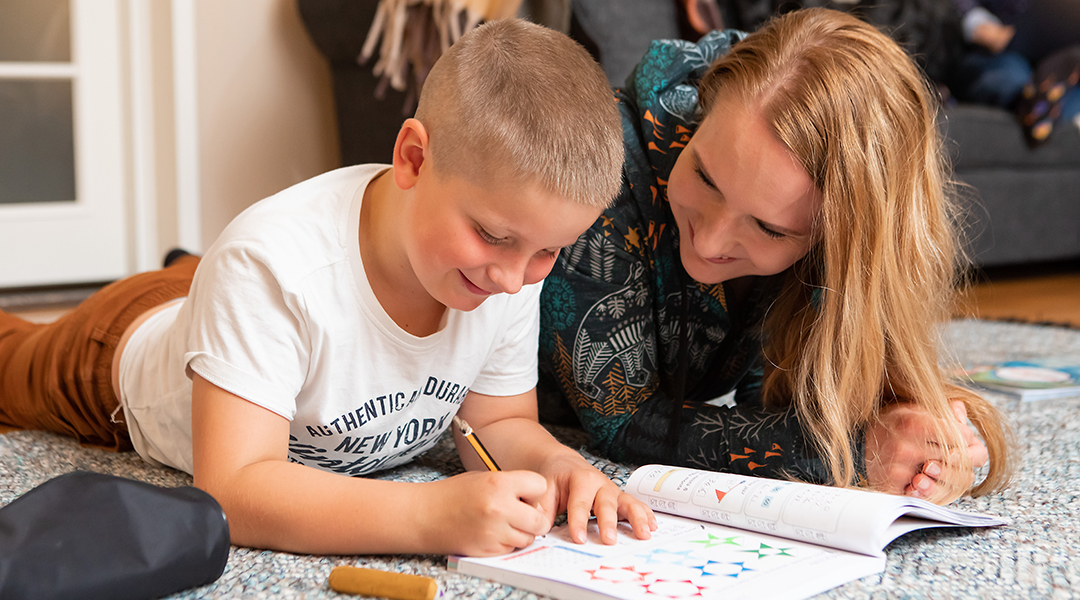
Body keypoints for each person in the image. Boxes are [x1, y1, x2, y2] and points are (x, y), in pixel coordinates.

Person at [0, 19, 656, 556]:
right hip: (108, 358)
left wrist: (558, 466)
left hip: (242, 298)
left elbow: (500, 422)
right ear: (413, 158)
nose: (512, 279)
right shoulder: (270, 266)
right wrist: (427, 515)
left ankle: (193, 274)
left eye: (547, 252)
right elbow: (234, 490)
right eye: (490, 235)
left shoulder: (506, 263)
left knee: (237, 290)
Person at [537, 7, 1013, 505]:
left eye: (769, 228)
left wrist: (925, 443)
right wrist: (856, 452)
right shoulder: (601, 165)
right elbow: (624, 419)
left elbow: (769, 399)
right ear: (701, 112)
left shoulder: (833, 248)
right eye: (704, 176)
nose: (710, 242)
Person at [949, 0, 1080, 145]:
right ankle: (1037, 102)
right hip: (995, 53)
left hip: (1054, 57)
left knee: (1075, 100)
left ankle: (1040, 100)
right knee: (1013, 77)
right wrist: (976, 22)